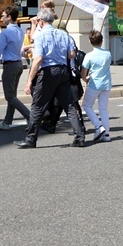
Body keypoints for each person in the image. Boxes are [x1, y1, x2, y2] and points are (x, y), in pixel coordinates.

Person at [15, 9, 80, 149]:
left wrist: (29, 81)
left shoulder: (40, 36)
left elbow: (38, 59)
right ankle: (79, 136)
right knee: (68, 105)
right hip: (63, 71)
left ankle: (30, 139)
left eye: (38, 21)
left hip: (48, 71)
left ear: (41, 21)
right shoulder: (63, 34)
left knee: (38, 106)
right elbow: (71, 54)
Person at [0, 6, 30, 131]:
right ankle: (7, 122)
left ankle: (30, 117)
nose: (2, 17)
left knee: (9, 96)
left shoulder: (5, 32)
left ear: (9, 17)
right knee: (12, 95)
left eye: (3, 15)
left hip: (10, 65)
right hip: (18, 64)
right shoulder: (20, 31)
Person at [82, 29, 113, 142]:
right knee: (103, 109)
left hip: (94, 84)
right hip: (106, 84)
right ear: (102, 41)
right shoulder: (108, 54)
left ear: (90, 42)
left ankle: (98, 126)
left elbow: (84, 72)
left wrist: (85, 78)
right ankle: (107, 134)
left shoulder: (89, 56)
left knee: (87, 106)